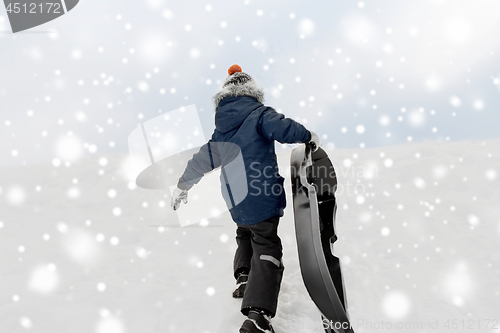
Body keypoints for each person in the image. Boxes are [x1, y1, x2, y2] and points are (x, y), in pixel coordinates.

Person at [171, 64, 321, 333]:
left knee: (244, 232)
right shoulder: (259, 114)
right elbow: (284, 128)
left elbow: (201, 160)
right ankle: (258, 316)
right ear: (252, 92)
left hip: (235, 199)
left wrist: (183, 185)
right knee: (267, 245)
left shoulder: (221, 129)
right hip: (260, 194)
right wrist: (308, 135)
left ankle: (244, 277)